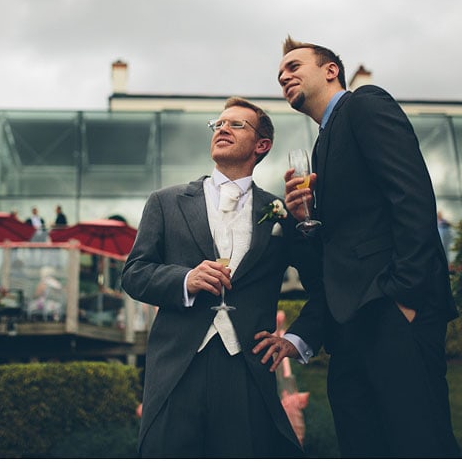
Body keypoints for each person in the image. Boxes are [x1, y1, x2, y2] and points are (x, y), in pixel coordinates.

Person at [260, 36, 460, 458]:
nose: (284, 77)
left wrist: (405, 296)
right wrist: (303, 222)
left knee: (417, 442)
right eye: (280, 76)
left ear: (330, 69)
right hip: (349, 326)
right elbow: (338, 248)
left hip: (392, 311)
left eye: (294, 66)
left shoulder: (365, 104)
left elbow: (411, 196)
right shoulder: (320, 144)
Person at [122, 97, 326, 458]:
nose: (222, 129)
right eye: (218, 124)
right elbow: (135, 274)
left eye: (235, 125)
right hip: (177, 368)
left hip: (247, 369)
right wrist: (185, 279)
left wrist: (296, 338)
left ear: (261, 146)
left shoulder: (281, 213)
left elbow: (323, 286)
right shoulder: (165, 202)